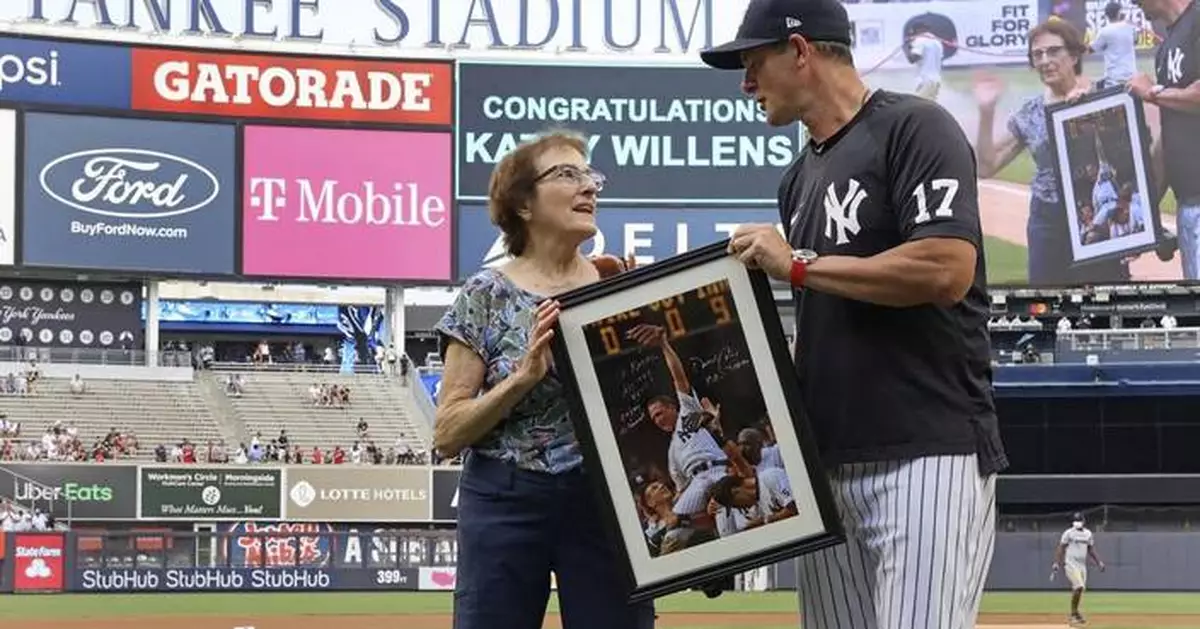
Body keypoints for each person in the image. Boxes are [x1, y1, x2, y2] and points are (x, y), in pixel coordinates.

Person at [699, 0, 1008, 627]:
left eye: (754, 62)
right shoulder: (798, 180)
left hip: (926, 451)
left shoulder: (915, 128)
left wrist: (800, 266)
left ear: (801, 51)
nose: (746, 83)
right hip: (829, 464)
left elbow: (946, 269)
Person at [431, 130, 654, 629]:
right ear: (523, 205)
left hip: (605, 500)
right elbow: (446, 433)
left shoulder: (622, 284)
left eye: (590, 175)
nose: (589, 187)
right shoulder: (485, 294)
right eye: (567, 175)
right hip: (504, 497)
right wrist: (521, 379)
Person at [973, 19, 1132, 284]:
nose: (1045, 60)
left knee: (1105, 300)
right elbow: (986, 167)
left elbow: (1130, 158)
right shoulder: (1030, 113)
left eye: (1053, 51)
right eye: (1037, 54)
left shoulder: (1106, 96)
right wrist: (986, 111)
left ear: (1074, 55)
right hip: (1048, 220)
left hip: (1096, 214)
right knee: (1047, 303)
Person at [1129, 0, 1200, 279]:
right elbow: (1167, 137)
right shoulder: (1167, 47)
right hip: (1188, 205)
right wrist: (1144, 213)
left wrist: (1152, 93)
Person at [1052, 512, 1106, 626]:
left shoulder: (1088, 534)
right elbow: (1061, 547)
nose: (1078, 522)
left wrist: (1099, 562)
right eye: (1076, 520)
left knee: (1080, 589)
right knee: (1079, 586)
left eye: (1079, 520)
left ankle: (1076, 613)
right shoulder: (1068, 533)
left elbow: (1091, 549)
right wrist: (1056, 562)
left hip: (1082, 565)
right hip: (1071, 563)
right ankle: (1073, 615)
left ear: (1083, 521)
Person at [1089, 1, 1139, 89]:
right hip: (1132, 77)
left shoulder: (1105, 31)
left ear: (1106, 15)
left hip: (1113, 79)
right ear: (1120, 13)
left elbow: (1091, 49)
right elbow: (1136, 41)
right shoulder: (1130, 27)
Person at [908, 26, 944, 100]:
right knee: (929, 108)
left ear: (918, 30)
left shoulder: (919, 40)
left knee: (918, 106)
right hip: (936, 81)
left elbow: (913, 59)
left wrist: (909, 47)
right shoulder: (937, 42)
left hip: (925, 80)